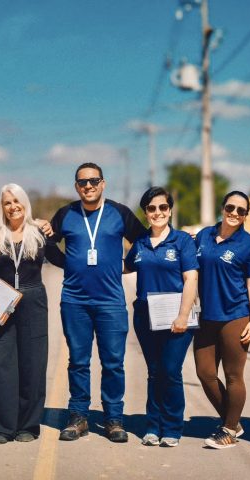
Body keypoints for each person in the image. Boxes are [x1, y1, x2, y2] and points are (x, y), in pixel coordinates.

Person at [50, 162, 146, 443]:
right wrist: (68, 264)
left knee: (113, 363)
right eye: (82, 182)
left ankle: (114, 418)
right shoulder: (66, 214)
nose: (88, 186)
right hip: (74, 301)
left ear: (103, 183)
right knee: (78, 361)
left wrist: (127, 266)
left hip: (111, 301)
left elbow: (143, 241)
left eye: (94, 181)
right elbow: (46, 243)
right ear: (76, 186)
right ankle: (79, 416)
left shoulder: (119, 213)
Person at [0, 184, 64, 444]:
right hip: (2, 299)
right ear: (1, 207)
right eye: (7, 202)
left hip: (33, 298)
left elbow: (60, 260)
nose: (13, 206)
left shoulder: (38, 232)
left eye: (17, 201)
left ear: (25, 203)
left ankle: (28, 424)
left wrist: (55, 231)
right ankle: (1, 427)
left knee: (32, 364)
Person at [124, 187, 198, 448]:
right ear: (145, 212)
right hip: (146, 315)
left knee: (171, 370)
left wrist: (182, 315)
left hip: (177, 314)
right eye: (152, 208)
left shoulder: (182, 241)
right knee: (154, 372)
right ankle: (153, 426)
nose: (157, 212)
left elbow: (191, 279)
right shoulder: (141, 243)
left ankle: (172, 427)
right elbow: (125, 266)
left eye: (162, 207)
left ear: (170, 210)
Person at [194, 191, 250, 449]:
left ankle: (230, 430)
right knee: (205, 373)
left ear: (246, 215)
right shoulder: (203, 236)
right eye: (230, 207)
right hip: (206, 317)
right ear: (222, 208)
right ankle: (233, 421)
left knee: (233, 376)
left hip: (235, 315)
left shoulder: (249, 243)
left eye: (241, 211)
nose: (234, 213)